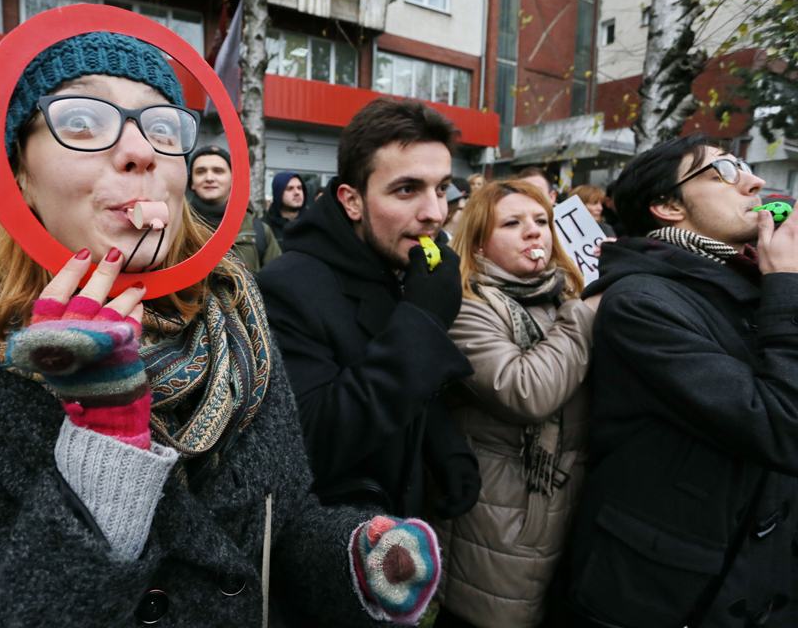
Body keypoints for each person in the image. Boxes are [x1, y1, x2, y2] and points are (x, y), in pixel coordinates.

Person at [0, 28, 443, 627]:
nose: (140, 150)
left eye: (162, 127)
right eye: (83, 120)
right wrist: (106, 449)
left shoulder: (236, 320)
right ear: (21, 177)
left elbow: (277, 524)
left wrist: (353, 555)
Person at [557, 135, 798, 628]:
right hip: (669, 592)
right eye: (724, 173)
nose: (754, 181)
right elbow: (782, 425)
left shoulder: (750, 281)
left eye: (746, 167)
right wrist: (786, 288)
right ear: (668, 207)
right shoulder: (642, 302)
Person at [257, 97, 481, 521]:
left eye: (441, 189)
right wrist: (424, 321)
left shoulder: (393, 262)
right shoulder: (286, 288)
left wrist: (444, 447)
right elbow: (312, 441)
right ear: (352, 201)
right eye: (406, 190)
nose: (435, 213)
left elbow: (405, 385)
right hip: (336, 548)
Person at [431, 180, 597, 628]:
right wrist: (584, 311)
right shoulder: (468, 306)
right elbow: (527, 391)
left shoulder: (563, 294)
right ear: (480, 241)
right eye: (513, 223)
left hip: (567, 504)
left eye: (541, 221)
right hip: (502, 517)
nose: (533, 232)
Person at [188, 144, 281, 273]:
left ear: (232, 179)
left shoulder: (259, 231)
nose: (209, 178)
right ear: (191, 182)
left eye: (218, 171)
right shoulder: (176, 228)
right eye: (200, 171)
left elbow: (275, 282)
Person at [265, 171, 306, 246]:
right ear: (278, 193)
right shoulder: (264, 228)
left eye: (299, 188)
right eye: (290, 189)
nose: (297, 192)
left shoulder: (312, 225)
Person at [439, 176, 471, 241]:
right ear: (448, 212)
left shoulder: (454, 239)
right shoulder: (439, 241)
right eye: (462, 209)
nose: (467, 212)